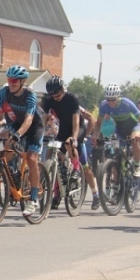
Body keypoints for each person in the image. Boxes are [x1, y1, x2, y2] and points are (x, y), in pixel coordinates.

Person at [0, 65, 44, 217]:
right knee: (5, 145)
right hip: (16, 124)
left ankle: (33, 200)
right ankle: (12, 176)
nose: (11, 83)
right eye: (9, 79)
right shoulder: (4, 92)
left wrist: (18, 134)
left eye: (14, 80)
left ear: (22, 81)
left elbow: (29, 119)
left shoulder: (30, 95)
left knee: (32, 159)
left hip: (34, 127)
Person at [43, 75, 100, 210]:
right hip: (63, 130)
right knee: (53, 155)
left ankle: (94, 193)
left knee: (85, 167)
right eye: (53, 95)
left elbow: (77, 122)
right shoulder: (49, 100)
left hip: (78, 129)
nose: (55, 97)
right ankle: (56, 194)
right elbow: (44, 119)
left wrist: (77, 138)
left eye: (58, 93)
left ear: (63, 89)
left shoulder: (72, 99)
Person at [91, 84, 140, 178]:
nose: (110, 102)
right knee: (113, 153)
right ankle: (116, 182)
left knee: (134, 140)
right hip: (119, 128)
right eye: (108, 99)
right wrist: (95, 136)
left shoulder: (127, 103)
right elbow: (98, 123)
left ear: (118, 97)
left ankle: (137, 165)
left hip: (134, 126)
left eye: (113, 99)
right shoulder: (104, 105)